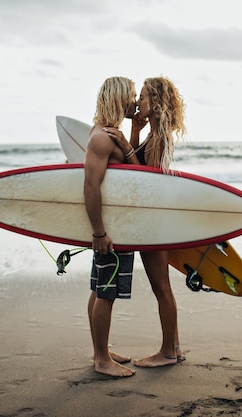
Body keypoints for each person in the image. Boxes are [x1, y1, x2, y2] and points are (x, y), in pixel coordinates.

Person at [104, 76, 186, 367]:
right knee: (162, 286)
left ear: (155, 102)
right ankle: (173, 348)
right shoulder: (153, 134)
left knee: (161, 287)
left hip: (151, 221)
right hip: (153, 218)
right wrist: (133, 134)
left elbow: (145, 180)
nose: (137, 102)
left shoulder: (160, 137)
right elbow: (136, 165)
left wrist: (126, 145)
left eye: (142, 97)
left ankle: (166, 353)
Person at [84, 76, 138, 377]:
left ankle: (99, 352)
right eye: (131, 95)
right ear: (119, 97)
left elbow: (133, 176)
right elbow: (91, 187)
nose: (135, 101)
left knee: (98, 288)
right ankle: (102, 361)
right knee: (106, 292)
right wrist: (99, 232)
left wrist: (131, 137)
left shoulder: (107, 134)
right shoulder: (103, 138)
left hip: (112, 227)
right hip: (110, 229)